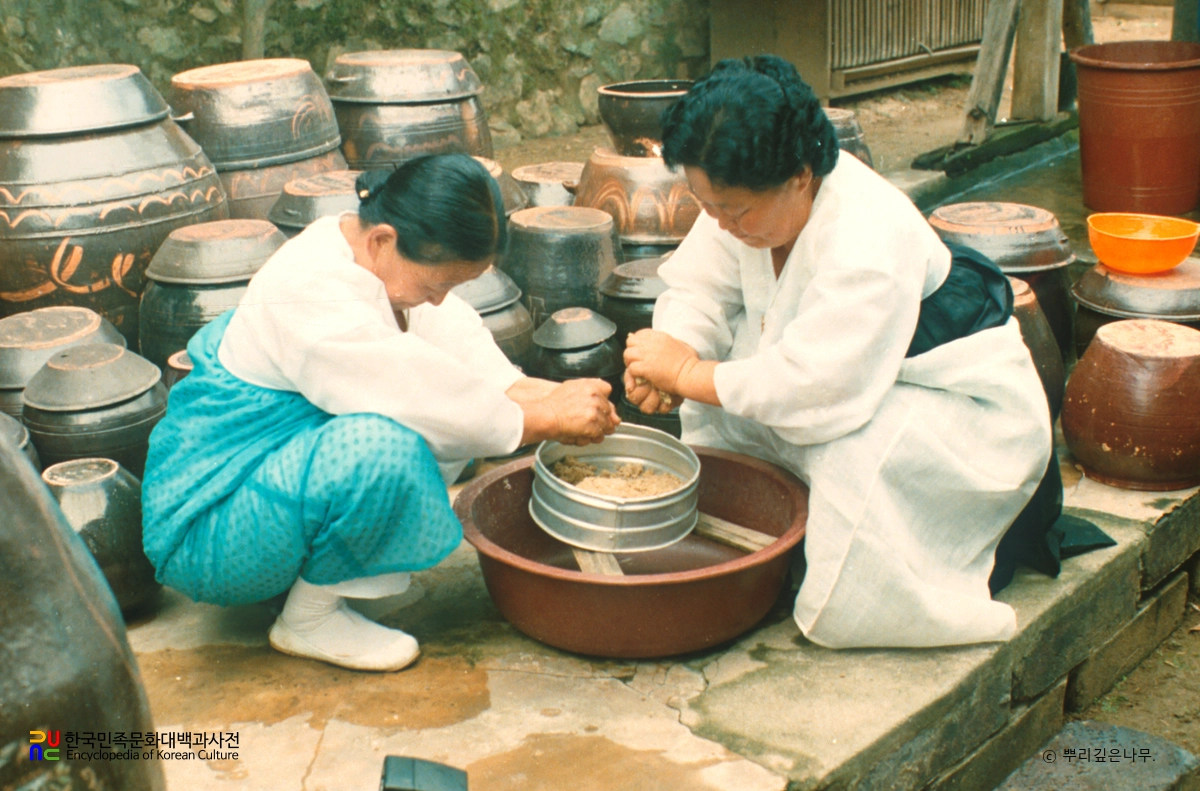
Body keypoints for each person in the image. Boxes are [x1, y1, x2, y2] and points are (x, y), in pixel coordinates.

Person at [623, 56, 1054, 649]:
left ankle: (881, 591)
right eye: (707, 206)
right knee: (722, 397)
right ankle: (762, 546)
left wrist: (689, 372)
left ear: (800, 175)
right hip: (840, 376)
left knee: (848, 457)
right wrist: (678, 348)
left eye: (736, 210)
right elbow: (700, 287)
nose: (720, 224)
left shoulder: (868, 230)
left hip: (953, 402)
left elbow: (817, 388)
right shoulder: (741, 196)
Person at [142, 154, 619, 671]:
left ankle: (312, 577)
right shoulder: (308, 289)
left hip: (264, 492)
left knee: (453, 424)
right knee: (390, 447)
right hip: (210, 530)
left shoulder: (361, 250)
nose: (438, 301)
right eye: (435, 285)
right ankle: (308, 619)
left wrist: (542, 394)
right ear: (383, 241)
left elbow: (461, 357)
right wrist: (547, 420)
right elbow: (422, 400)